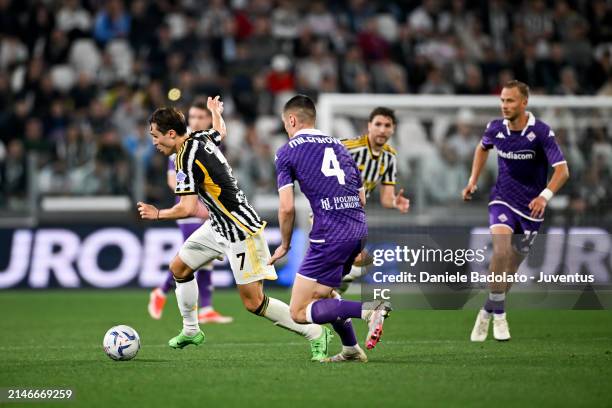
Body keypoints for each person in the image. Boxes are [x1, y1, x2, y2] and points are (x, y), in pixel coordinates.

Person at [137, 97, 332, 361]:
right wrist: (215, 113)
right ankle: (192, 330)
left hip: (241, 230)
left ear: (172, 134)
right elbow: (220, 131)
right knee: (179, 269)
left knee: (254, 303)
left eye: (156, 136)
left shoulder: (185, 159)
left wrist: (157, 213)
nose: (154, 142)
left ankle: (314, 333)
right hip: (217, 226)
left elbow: (186, 208)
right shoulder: (199, 137)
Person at [269, 94, 391, 363]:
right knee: (324, 295)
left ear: (291, 120)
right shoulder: (340, 146)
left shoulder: (287, 151)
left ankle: (371, 310)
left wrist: (285, 244)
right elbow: (361, 197)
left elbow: (287, 207)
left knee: (299, 312)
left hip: (330, 235)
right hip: (357, 229)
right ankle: (350, 349)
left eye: (285, 123)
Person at [462, 80, 569, 341]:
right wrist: (472, 180)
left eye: (510, 100)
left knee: (510, 268)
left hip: (532, 209)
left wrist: (544, 196)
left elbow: (563, 171)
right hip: (502, 200)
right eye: (502, 100)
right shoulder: (496, 128)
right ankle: (500, 315)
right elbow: (482, 148)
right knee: (500, 251)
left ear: (524, 102)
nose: (504, 105)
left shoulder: (541, 132)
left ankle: (487, 310)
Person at [148, 97, 232, 324]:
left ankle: (204, 308)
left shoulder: (203, 141)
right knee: (195, 255)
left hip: (207, 208)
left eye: (200, 117)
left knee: (202, 258)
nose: (195, 121)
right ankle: (164, 292)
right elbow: (171, 180)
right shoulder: (178, 147)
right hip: (189, 208)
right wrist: (195, 203)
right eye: (192, 117)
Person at [339, 107, 410, 292]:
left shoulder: (390, 156)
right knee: (355, 261)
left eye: (387, 125)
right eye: (378, 124)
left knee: (364, 263)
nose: (382, 129)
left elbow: (387, 198)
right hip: (330, 212)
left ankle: (334, 291)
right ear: (369, 126)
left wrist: (395, 202)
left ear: (393, 129)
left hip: (354, 218)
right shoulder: (349, 147)